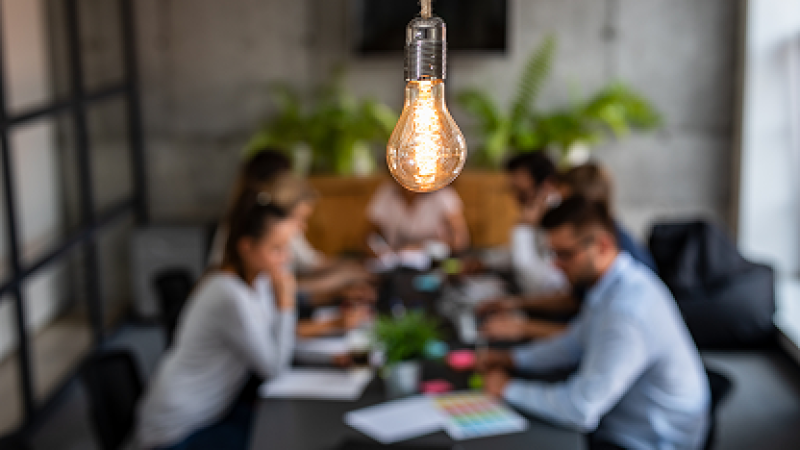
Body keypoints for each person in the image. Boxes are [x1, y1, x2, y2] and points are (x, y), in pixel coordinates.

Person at [478, 196, 710, 450]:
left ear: (602, 246)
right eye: (553, 253)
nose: (555, 265)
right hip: (626, 423)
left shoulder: (627, 313)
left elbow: (579, 409)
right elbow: (574, 342)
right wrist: (514, 358)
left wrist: (507, 388)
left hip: (647, 441)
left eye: (565, 254)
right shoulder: (613, 283)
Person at [137, 188, 298, 450]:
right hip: (176, 431)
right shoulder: (228, 294)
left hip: (210, 413)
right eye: (277, 249)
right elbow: (274, 368)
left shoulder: (254, 282)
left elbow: (271, 338)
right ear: (247, 247)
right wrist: (287, 303)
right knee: (280, 439)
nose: (287, 258)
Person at [480, 161, 659, 341]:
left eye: (566, 204)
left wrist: (524, 328)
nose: (557, 264)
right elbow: (573, 300)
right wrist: (515, 303)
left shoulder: (619, 257)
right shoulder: (605, 237)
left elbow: (593, 335)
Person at [366, 180, 470, 255]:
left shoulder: (442, 194)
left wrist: (425, 246)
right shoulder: (387, 192)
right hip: (394, 266)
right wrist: (379, 251)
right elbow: (367, 236)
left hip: (434, 265)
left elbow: (461, 239)